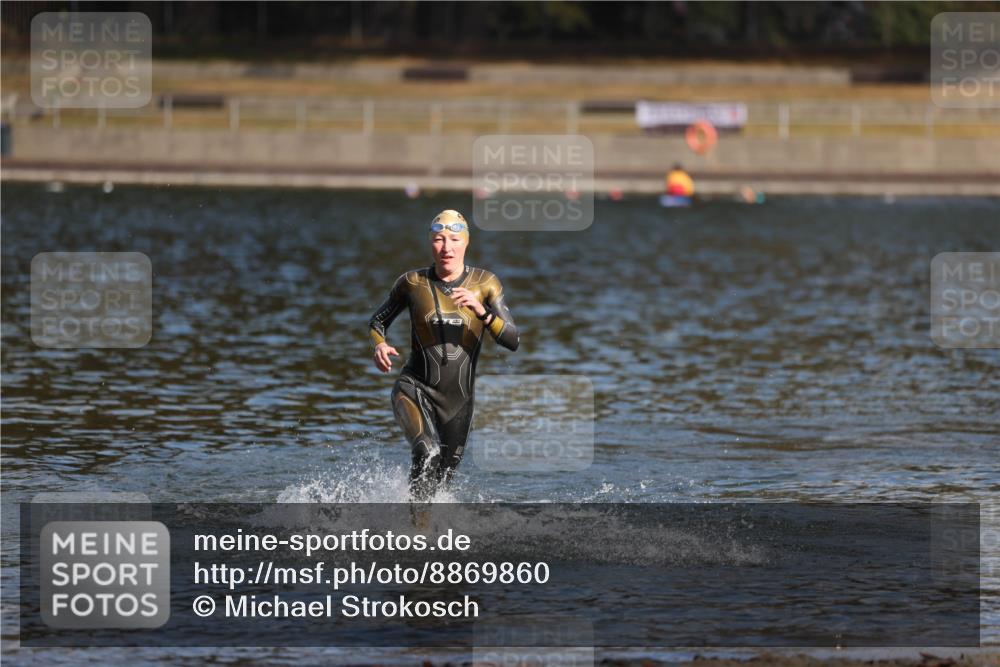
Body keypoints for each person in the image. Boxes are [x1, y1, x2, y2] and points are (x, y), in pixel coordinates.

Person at [368, 209, 519, 500]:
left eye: (453, 239)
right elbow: (377, 322)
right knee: (427, 451)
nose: (446, 247)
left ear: (466, 242)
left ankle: (420, 529)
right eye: (438, 239)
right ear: (430, 243)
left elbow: (513, 340)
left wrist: (482, 313)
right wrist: (379, 344)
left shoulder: (485, 284)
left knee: (439, 487)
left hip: (458, 404)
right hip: (414, 388)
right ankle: (414, 539)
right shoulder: (412, 283)